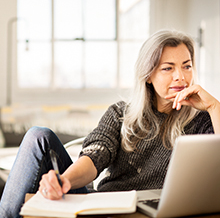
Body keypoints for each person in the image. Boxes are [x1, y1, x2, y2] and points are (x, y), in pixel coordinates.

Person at [1, 29, 220, 218]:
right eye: (168, 68)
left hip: (159, 211)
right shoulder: (120, 113)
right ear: (148, 75)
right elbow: (94, 157)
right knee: (38, 136)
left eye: (187, 66)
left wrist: (214, 107)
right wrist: (64, 180)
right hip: (106, 206)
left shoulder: (202, 121)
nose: (180, 77)